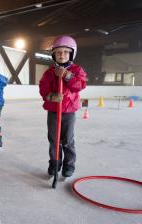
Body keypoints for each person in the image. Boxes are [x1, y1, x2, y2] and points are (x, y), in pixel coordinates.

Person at [39, 36, 87, 178]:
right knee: (54, 140)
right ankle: (55, 164)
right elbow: (43, 87)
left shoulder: (77, 70)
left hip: (69, 111)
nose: (62, 55)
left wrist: (67, 75)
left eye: (66, 52)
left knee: (67, 141)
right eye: (59, 52)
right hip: (54, 111)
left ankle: (69, 166)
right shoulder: (49, 72)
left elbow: (80, 85)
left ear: (71, 54)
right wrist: (50, 96)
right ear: (54, 54)